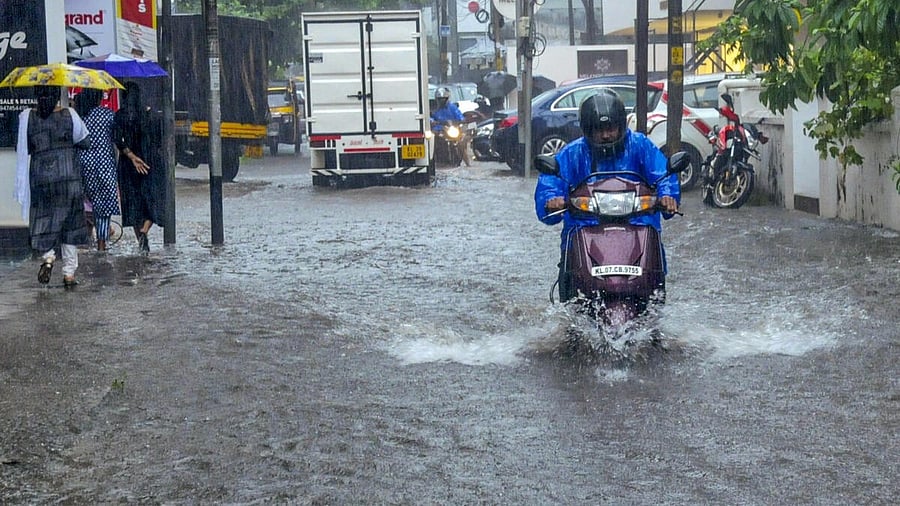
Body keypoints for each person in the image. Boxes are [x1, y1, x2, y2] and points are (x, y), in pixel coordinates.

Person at [534, 90, 680, 301]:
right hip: (585, 226)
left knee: (655, 277)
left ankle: (653, 305)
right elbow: (551, 181)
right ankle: (569, 309)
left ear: (621, 125)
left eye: (610, 128)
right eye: (599, 130)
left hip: (638, 224)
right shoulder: (573, 152)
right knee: (568, 275)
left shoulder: (640, 146)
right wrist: (552, 199)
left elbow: (663, 173)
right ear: (587, 130)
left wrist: (667, 196)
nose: (606, 135)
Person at [15, 85, 91, 288]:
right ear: (58, 96)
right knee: (71, 226)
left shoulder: (27, 117)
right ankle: (68, 274)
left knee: (43, 218)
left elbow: (24, 146)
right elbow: (85, 141)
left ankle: (48, 259)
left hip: (41, 177)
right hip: (68, 176)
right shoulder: (70, 114)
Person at [113, 81, 166, 253]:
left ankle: (140, 241)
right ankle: (144, 231)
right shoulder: (148, 115)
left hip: (128, 166)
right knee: (151, 201)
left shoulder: (120, 116)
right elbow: (159, 139)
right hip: (149, 163)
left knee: (133, 204)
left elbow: (117, 139)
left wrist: (131, 156)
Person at [75, 88, 120, 252]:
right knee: (104, 206)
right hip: (104, 164)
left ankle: (85, 240)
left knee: (86, 202)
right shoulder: (108, 115)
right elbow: (116, 137)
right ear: (99, 98)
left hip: (83, 163)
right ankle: (101, 245)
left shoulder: (80, 115)